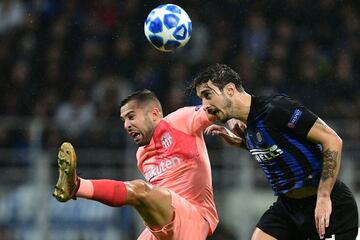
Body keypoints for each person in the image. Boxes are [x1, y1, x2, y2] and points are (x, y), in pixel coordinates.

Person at [192, 63, 358, 240]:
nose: (204, 105)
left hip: (329, 204)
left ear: (230, 90)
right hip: (288, 208)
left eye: (207, 95)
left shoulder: (276, 108)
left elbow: (332, 140)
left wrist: (324, 196)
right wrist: (241, 144)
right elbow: (279, 149)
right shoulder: (247, 125)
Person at [53, 89, 219, 240]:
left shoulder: (180, 120)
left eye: (131, 117)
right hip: (163, 225)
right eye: (123, 120)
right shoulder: (142, 155)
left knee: (140, 190)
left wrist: (237, 123)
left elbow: (216, 108)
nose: (126, 125)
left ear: (154, 114)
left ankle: (76, 186)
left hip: (194, 217)